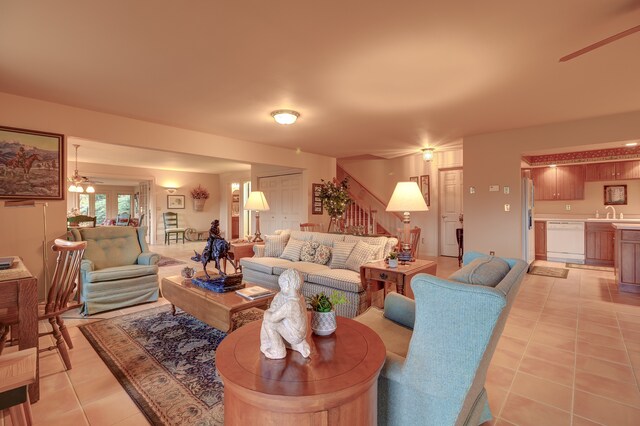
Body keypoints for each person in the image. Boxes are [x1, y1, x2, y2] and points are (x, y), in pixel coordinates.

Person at [260, 269, 310, 359]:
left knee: (268, 323)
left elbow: (272, 318)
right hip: (300, 335)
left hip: (295, 336)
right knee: (281, 320)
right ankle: (296, 345)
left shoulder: (290, 305)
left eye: (281, 286)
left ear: (286, 284)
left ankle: (278, 351)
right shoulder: (300, 297)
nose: (281, 289)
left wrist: (266, 313)